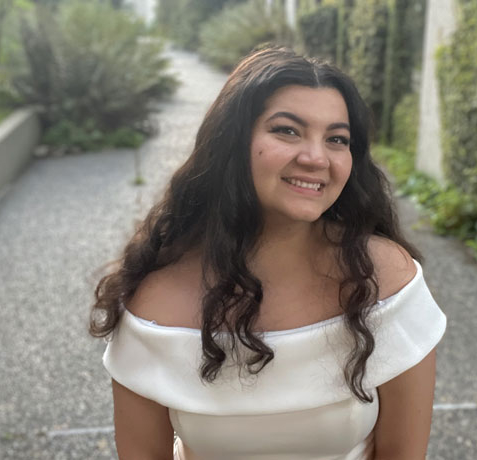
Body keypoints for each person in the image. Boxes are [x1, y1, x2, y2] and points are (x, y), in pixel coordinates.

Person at [90, 47, 446, 460]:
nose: (316, 158)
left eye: (336, 139)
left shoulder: (385, 281)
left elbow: (403, 454)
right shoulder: (155, 303)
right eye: (287, 131)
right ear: (233, 144)